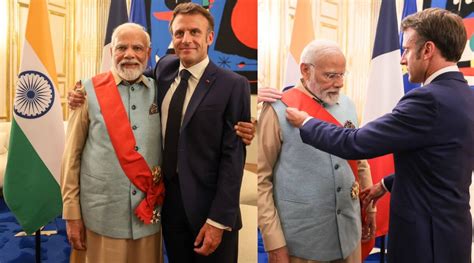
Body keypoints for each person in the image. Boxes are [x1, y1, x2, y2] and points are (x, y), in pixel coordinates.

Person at [286, 8, 474, 263]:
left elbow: (355, 142)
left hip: (423, 241)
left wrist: (306, 121)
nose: (402, 59)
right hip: (452, 234)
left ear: (428, 50)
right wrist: (385, 184)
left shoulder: (427, 99)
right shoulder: (467, 96)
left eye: (407, 49)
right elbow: (441, 164)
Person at [68, 3, 252, 262]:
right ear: (171, 39)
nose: (186, 39)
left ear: (209, 37)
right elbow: (124, 74)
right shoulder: (163, 70)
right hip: (168, 207)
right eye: (179, 33)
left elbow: (233, 159)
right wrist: (81, 92)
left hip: (209, 210)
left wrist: (218, 220)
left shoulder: (234, 85)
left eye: (195, 32)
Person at [259, 40, 375, 263]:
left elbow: (360, 162)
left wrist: (370, 210)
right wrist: (273, 241)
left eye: (342, 75)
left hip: (349, 235)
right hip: (302, 242)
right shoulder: (278, 108)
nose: (339, 83)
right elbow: (262, 180)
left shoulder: (348, 105)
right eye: (330, 75)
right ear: (305, 69)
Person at [61, 23, 164, 262]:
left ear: (148, 54)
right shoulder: (87, 92)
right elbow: (71, 157)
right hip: (102, 215)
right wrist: (71, 213)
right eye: (122, 48)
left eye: (137, 48)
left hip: (149, 216)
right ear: (111, 53)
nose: (129, 54)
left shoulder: (161, 91)